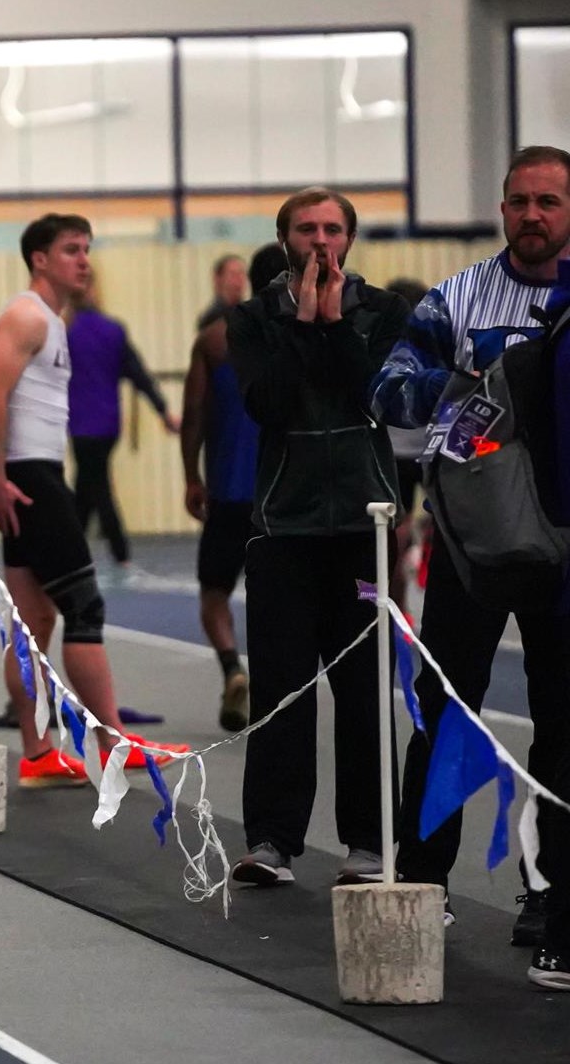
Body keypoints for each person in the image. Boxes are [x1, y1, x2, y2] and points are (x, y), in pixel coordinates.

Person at [368, 146, 570, 948]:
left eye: (549, 202)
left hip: (562, 546)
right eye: (520, 201)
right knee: (446, 707)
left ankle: (551, 896)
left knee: (563, 724)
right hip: (471, 541)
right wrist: (480, 388)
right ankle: (422, 879)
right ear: (501, 207)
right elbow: (387, 389)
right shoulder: (458, 298)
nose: (532, 216)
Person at [228, 188, 410, 887]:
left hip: (364, 529)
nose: (321, 240)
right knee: (281, 690)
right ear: (283, 240)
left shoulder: (386, 312)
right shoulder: (251, 320)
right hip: (284, 529)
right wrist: (304, 321)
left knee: (365, 692)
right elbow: (266, 402)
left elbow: (377, 396)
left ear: (351, 238)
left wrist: (334, 326)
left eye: (333, 228)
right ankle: (272, 841)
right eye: (306, 229)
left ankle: (369, 841)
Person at [0, 213, 187, 788]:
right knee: (84, 609)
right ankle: (112, 742)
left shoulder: (52, 321)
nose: (84, 260)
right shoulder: (25, 316)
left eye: (87, 249)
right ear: (39, 258)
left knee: (36, 621)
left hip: (37, 472)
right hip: (30, 479)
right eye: (71, 250)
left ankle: (39, 751)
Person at [181, 244, 281, 732]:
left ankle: (232, 668)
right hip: (285, 496)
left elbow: (195, 414)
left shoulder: (214, 339)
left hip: (229, 489)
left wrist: (191, 476)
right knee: (281, 598)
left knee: (214, 593)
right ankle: (279, 686)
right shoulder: (304, 341)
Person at [65, 269, 178, 575]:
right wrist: (163, 410)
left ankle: (115, 550)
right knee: (87, 484)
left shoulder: (64, 333)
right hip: (107, 425)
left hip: (80, 425)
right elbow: (138, 373)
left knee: (96, 485)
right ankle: (72, 550)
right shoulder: (112, 330)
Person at [380, 277, 434, 617]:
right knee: (400, 537)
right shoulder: (434, 344)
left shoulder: (382, 342)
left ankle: (397, 607)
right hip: (417, 453)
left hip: (408, 453)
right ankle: (397, 604)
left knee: (394, 540)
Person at [198, 254, 249, 331]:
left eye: (242, 274)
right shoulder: (213, 319)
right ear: (218, 279)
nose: (239, 280)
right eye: (233, 274)